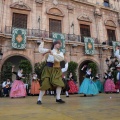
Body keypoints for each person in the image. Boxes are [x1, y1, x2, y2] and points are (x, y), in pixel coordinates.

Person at [37, 39, 65, 105]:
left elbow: (61, 58)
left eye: (60, 44)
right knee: (45, 84)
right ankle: (39, 99)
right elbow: (40, 50)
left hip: (56, 70)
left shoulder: (60, 53)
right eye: (58, 44)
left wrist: (53, 54)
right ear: (55, 44)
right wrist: (42, 42)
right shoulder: (49, 51)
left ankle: (58, 98)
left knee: (59, 83)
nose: (59, 45)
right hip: (48, 69)